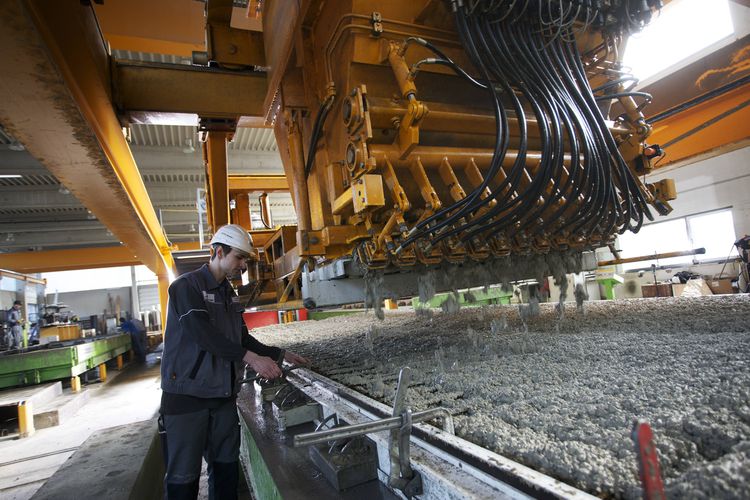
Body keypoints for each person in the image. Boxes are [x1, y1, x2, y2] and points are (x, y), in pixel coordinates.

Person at [160, 224, 309, 500]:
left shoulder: (227, 295)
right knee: (183, 479)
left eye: (245, 259)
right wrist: (251, 359)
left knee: (226, 472)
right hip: (187, 400)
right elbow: (203, 334)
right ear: (218, 251)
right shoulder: (185, 287)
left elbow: (241, 339)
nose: (243, 265)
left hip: (222, 398)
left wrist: (278, 354)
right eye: (239, 258)